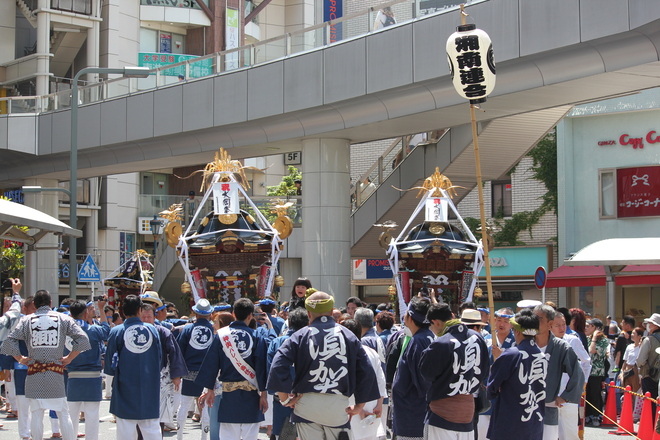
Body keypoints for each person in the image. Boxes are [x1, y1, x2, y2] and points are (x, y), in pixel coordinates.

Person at [267, 291, 379, 440]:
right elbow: (366, 371)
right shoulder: (348, 336)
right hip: (337, 406)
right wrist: (360, 405)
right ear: (332, 311)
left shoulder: (299, 336)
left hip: (306, 405)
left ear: (308, 313)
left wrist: (285, 399)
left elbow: (278, 365)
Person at [1, 289, 92, 440]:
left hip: (34, 371)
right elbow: (83, 340)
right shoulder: (63, 319)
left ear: (35, 305)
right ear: (51, 303)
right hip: (55, 371)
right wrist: (70, 357)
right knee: (63, 412)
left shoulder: (26, 320)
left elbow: (9, 342)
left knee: (36, 412)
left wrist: (20, 359)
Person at [197, 298, 276, 440]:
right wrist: (263, 394)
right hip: (251, 396)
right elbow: (262, 367)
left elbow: (211, 364)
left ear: (233, 314)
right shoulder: (257, 335)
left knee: (228, 434)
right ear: (250, 315)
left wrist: (209, 390)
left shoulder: (222, 335)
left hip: (228, 396)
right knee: (250, 435)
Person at [104, 294, 162, 440]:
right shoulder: (152, 330)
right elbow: (160, 358)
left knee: (125, 429)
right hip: (150, 384)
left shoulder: (117, 331)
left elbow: (109, 362)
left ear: (123, 311)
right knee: (151, 428)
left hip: (125, 385)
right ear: (140, 310)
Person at [487, 309, 548, 440]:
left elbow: (492, 388)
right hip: (535, 421)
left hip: (510, 420)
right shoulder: (542, 356)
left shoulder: (510, 355)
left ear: (517, 331)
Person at [533, 304, 584, 439]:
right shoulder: (525, 343)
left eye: (539, 318)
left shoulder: (561, 347)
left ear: (549, 323)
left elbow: (578, 374)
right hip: (525, 405)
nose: (534, 321)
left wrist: (565, 396)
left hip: (549, 404)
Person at [66, 299, 113, 440]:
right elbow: (107, 330)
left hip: (72, 375)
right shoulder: (93, 330)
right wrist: (101, 309)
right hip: (92, 376)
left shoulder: (65, 331)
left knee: (71, 414)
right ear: (86, 313)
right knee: (92, 414)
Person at [140, 303, 187, 436]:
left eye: (149, 316)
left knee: (159, 412)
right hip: (140, 376)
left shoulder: (163, 332)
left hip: (161, 376)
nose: (146, 319)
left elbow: (174, 354)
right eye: (143, 316)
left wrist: (176, 376)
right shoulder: (134, 331)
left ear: (154, 317)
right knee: (139, 414)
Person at [391, 297, 435, 440]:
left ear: (409, 317)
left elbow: (423, 381)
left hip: (413, 411)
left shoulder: (418, 341)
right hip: (416, 409)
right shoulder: (427, 337)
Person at [341, 318, 387, 440]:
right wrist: (379, 405)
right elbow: (380, 380)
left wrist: (359, 410)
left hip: (351, 407)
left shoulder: (342, 355)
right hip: (372, 405)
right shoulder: (371, 352)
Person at [267, 308, 309, 440]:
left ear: (289, 322)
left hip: (281, 397)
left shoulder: (277, 342)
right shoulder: (312, 342)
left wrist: (285, 397)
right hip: (306, 398)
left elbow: (271, 370)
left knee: (283, 435)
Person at [176, 298, 215, 440]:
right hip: (207, 372)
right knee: (205, 406)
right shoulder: (213, 330)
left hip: (189, 371)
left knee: (184, 404)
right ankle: (204, 437)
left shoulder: (187, 329)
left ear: (195, 313)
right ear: (210, 314)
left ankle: (179, 436)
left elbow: (179, 350)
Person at [550, 312, 591, 440]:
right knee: (549, 434)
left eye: (564, 325)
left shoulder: (572, 340)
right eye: (558, 325)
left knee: (570, 433)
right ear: (549, 326)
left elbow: (586, 362)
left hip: (568, 395)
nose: (562, 328)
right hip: (548, 396)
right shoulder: (543, 343)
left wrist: (581, 383)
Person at [584, 318, 608, 426]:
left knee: (595, 394)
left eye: (589, 326)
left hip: (596, 372)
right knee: (587, 394)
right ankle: (588, 415)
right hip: (587, 371)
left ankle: (596, 415)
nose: (586, 328)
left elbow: (592, 350)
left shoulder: (603, 340)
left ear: (596, 328)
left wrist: (594, 338)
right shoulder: (586, 338)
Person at [636, 313, 660, 415]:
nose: (647, 325)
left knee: (650, 404)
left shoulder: (648, 340)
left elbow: (640, 360)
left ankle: (651, 427)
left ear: (655, 325)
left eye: (649, 323)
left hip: (649, 375)